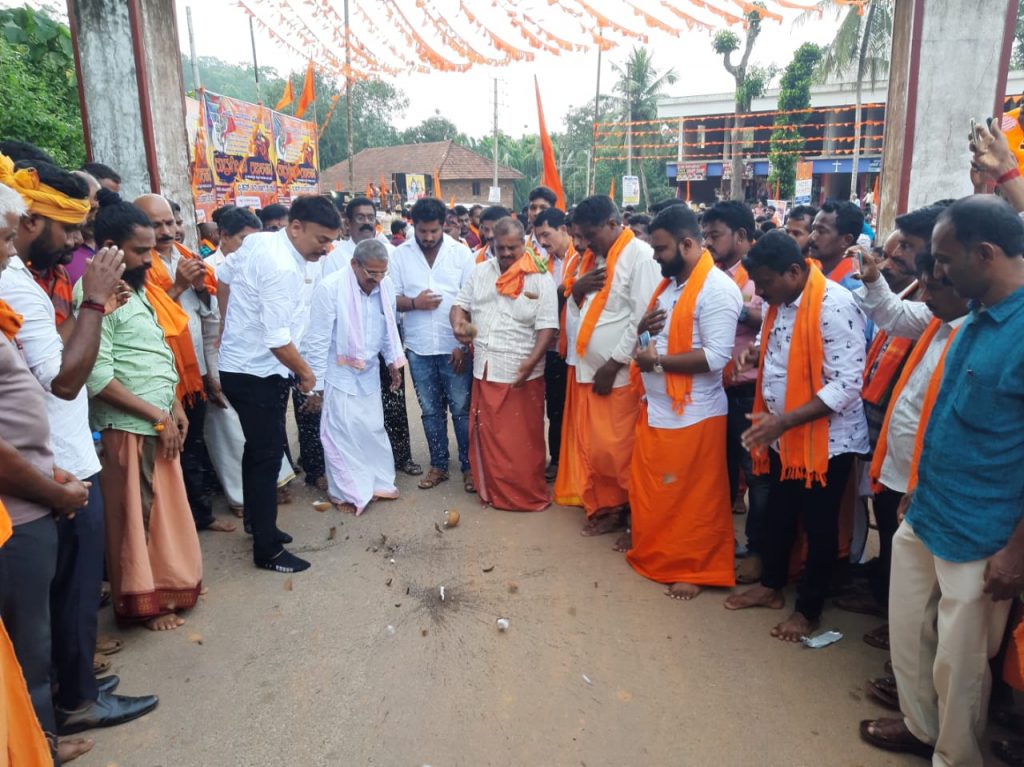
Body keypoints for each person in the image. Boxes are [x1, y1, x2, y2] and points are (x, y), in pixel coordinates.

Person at [0, 163, 158, 750]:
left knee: (69, 596)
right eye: (67, 227)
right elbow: (65, 381)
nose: (75, 241)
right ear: (29, 221)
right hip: (49, 468)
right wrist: (91, 304)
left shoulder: (23, 277)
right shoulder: (15, 283)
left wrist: (92, 310)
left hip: (61, 458)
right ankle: (73, 707)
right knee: (61, 603)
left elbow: (52, 360)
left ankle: (75, 691)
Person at [861, 195, 1024, 764]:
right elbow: (947, 413)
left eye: (946, 260)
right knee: (909, 632)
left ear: (986, 254)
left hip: (984, 533)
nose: (937, 274)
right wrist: (919, 488)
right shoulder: (972, 315)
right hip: (929, 508)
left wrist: (1015, 550)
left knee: (960, 661)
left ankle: (955, 756)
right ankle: (921, 727)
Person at [723, 230, 869, 642]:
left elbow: (846, 384)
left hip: (827, 443)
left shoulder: (834, 305)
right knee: (779, 514)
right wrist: (757, 352)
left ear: (792, 271)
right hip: (784, 436)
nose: (760, 293)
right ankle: (771, 587)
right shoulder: (781, 301)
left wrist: (785, 421)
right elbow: (777, 343)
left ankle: (808, 610)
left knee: (819, 526)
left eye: (765, 283)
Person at [855, 243, 969, 713]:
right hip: (905, 472)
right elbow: (894, 315)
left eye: (934, 285)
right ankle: (913, 693)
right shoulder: (937, 320)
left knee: (942, 606)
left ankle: (927, 709)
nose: (924, 295)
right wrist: (872, 280)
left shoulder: (977, 333)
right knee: (912, 595)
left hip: (940, 488)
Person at [82, 195, 204, 629]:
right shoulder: (93, 296)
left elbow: (152, 356)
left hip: (158, 420)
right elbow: (98, 378)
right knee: (139, 519)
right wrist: (157, 416)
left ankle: (173, 586)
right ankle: (144, 605)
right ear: (110, 247)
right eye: (140, 251)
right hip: (130, 427)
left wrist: (173, 405)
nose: (149, 259)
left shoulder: (137, 288)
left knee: (165, 514)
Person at [218, 195, 340, 573]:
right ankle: (267, 551)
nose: (326, 248)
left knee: (258, 452)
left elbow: (224, 277)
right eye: (321, 239)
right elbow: (276, 339)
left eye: (331, 240)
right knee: (267, 455)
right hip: (256, 372)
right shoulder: (279, 265)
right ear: (296, 227)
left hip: (253, 366)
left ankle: (259, 525)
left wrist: (229, 327)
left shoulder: (260, 241)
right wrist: (307, 374)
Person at [624, 205, 741, 600]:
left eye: (660, 249)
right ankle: (657, 553)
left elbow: (716, 356)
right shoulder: (670, 287)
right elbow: (649, 340)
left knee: (694, 499)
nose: (655, 257)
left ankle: (696, 567)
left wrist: (656, 362)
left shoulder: (717, 289)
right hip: (657, 408)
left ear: (687, 244)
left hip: (696, 414)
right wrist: (642, 332)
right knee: (660, 491)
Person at [135, 194, 233, 533]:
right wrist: (177, 285)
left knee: (193, 446)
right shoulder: (137, 265)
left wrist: (198, 286)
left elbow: (206, 313)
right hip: (161, 376)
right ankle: (177, 525)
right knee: (170, 452)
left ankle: (200, 517)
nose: (167, 231)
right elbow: (145, 318)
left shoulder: (185, 256)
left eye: (171, 223)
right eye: (156, 225)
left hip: (193, 369)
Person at [568, 195, 660, 536]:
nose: (585, 243)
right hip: (591, 371)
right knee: (599, 449)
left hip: (618, 374)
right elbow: (586, 310)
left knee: (620, 450)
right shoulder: (597, 257)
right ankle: (611, 508)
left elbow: (643, 320)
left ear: (612, 224)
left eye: (590, 234)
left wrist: (614, 362)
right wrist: (577, 290)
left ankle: (633, 517)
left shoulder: (640, 256)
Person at [451, 216, 558, 511]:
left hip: (522, 372)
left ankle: (525, 496)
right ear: (492, 245)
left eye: (513, 247)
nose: (507, 254)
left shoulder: (541, 277)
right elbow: (460, 305)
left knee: (520, 441)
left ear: (524, 243)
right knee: (490, 437)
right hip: (485, 367)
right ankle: (494, 493)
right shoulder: (480, 272)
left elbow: (548, 327)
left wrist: (531, 363)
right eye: (502, 248)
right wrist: (458, 323)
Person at [201, 207, 294, 516]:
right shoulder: (208, 267)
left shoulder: (262, 259)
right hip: (221, 351)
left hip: (260, 356)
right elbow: (207, 321)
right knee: (229, 428)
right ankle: (240, 497)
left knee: (262, 434)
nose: (250, 246)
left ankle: (270, 489)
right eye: (243, 239)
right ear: (223, 236)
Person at [304, 239, 405, 515]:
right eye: (371, 274)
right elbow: (317, 340)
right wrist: (316, 387)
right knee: (342, 434)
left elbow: (388, 328)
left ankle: (378, 483)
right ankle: (348, 492)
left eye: (382, 273)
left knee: (371, 429)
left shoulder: (385, 286)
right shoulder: (330, 288)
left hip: (369, 370)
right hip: (339, 373)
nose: (377, 280)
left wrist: (392, 363)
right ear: (354, 265)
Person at [324, 197, 420, 477]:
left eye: (370, 217)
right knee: (351, 414)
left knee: (392, 402)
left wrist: (392, 357)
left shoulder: (388, 252)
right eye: (360, 217)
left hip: (384, 341)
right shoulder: (335, 258)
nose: (366, 222)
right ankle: (354, 470)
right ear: (348, 222)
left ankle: (400, 457)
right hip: (346, 351)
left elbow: (388, 310)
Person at [700, 201, 769, 584]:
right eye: (705, 235)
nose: (708, 243)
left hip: (749, 389)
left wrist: (729, 304)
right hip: (721, 387)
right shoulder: (714, 274)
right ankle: (721, 539)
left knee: (755, 473)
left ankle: (758, 551)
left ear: (741, 235)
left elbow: (763, 316)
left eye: (715, 235)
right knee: (721, 468)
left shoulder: (757, 273)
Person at [390, 197, 475, 493]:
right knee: (429, 411)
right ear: (413, 226)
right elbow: (391, 299)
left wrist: (463, 345)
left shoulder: (461, 254)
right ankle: (438, 465)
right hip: (419, 348)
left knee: (462, 410)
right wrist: (415, 303)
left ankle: (469, 466)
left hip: (454, 347)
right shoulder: (400, 256)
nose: (427, 237)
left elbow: (471, 301)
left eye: (434, 231)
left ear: (444, 225)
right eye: (422, 231)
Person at [533, 207, 577, 481]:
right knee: (556, 408)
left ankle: (576, 462)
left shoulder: (581, 258)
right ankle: (558, 459)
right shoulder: (541, 263)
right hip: (553, 348)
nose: (543, 241)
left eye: (546, 235)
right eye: (538, 237)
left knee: (579, 409)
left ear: (563, 229)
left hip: (577, 347)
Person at [808, 200, 865, 288]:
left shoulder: (852, 285)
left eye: (821, 231)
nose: (811, 237)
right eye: (813, 229)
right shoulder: (814, 268)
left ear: (846, 240)